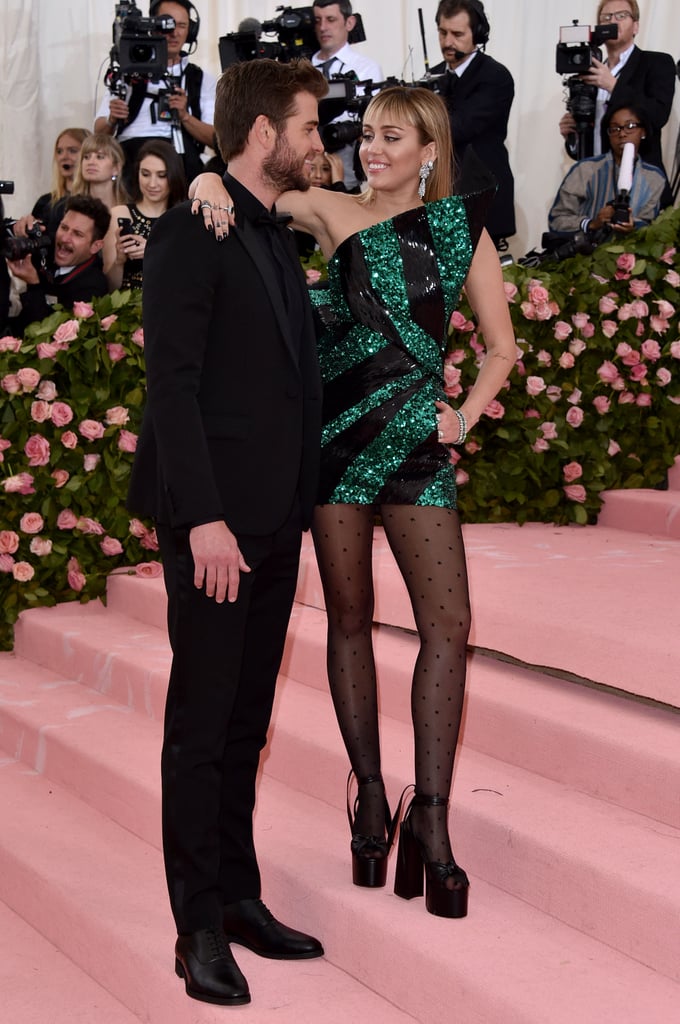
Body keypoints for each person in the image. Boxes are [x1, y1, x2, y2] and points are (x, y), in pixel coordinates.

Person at [192, 84, 516, 918]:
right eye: (366, 134)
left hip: (418, 448)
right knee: (348, 621)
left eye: (392, 137)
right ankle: (370, 797)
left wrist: (465, 412)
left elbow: (501, 348)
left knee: (449, 625)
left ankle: (432, 823)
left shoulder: (459, 230)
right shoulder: (328, 208)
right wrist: (200, 182)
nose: (373, 149)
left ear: (429, 151)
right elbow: (244, 183)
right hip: (334, 447)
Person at [126, 58, 327, 1007]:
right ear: (261, 135)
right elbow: (171, 385)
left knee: (248, 724)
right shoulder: (188, 233)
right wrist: (202, 515)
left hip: (275, 521)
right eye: (308, 124)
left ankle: (239, 894)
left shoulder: (275, 233)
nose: (319, 141)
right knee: (201, 729)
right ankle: (195, 922)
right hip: (214, 526)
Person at [94, 0, 216, 189]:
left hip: (180, 157)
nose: (174, 32)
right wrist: (112, 119)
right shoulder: (127, 73)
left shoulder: (201, 79)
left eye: (182, 25)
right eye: (166, 24)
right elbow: (98, 134)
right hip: (130, 157)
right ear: (152, 26)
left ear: (190, 32)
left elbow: (217, 140)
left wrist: (185, 116)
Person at [430, 0, 516, 249]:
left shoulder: (495, 76)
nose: (447, 42)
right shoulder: (433, 76)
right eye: (443, 32)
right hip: (438, 196)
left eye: (457, 34)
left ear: (477, 35)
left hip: (481, 196)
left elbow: (460, 127)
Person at [558, 0, 676, 182]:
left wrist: (613, 86)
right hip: (595, 183)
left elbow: (658, 115)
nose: (613, 21)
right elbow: (586, 147)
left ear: (635, 26)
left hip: (640, 183)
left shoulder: (656, 63)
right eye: (606, 17)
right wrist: (572, 136)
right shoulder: (587, 75)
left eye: (621, 16)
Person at [548, 102, 666, 236]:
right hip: (586, 252)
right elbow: (557, 220)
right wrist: (592, 223)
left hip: (631, 253)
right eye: (615, 129)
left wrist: (633, 226)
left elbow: (650, 224)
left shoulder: (654, 178)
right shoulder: (585, 170)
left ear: (643, 131)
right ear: (608, 135)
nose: (622, 134)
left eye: (630, 126)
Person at [6, 195, 110, 329]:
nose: (65, 238)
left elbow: (50, 336)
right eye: (64, 228)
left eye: (77, 234)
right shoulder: (42, 250)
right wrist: (16, 230)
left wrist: (33, 284)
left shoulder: (94, 286)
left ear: (95, 246)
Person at [311, 0, 383, 190]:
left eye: (331, 19)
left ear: (349, 23)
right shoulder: (301, 66)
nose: (323, 27)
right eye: (317, 20)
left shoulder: (367, 69)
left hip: (346, 159)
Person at [102, 139, 186, 290]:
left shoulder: (183, 219)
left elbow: (190, 278)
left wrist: (153, 252)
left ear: (174, 176)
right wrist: (119, 260)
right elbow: (110, 288)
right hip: (125, 307)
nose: (152, 184)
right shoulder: (119, 214)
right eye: (145, 174)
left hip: (169, 306)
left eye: (161, 175)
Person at [31, 127, 92, 225]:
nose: (64, 157)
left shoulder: (97, 202)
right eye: (59, 151)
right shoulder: (45, 202)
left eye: (72, 151)